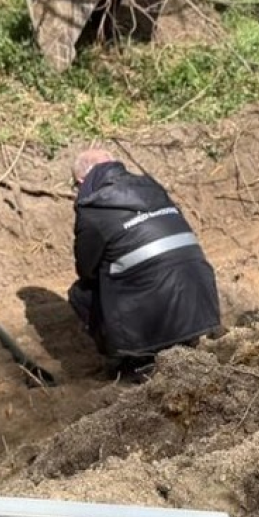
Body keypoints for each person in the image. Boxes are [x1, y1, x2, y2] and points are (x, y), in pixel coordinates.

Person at [68, 148, 221, 380]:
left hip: (152, 316)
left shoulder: (92, 207)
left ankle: (133, 360)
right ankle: (187, 340)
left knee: (82, 293)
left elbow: (87, 271)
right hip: (202, 304)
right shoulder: (152, 187)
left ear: (81, 181)